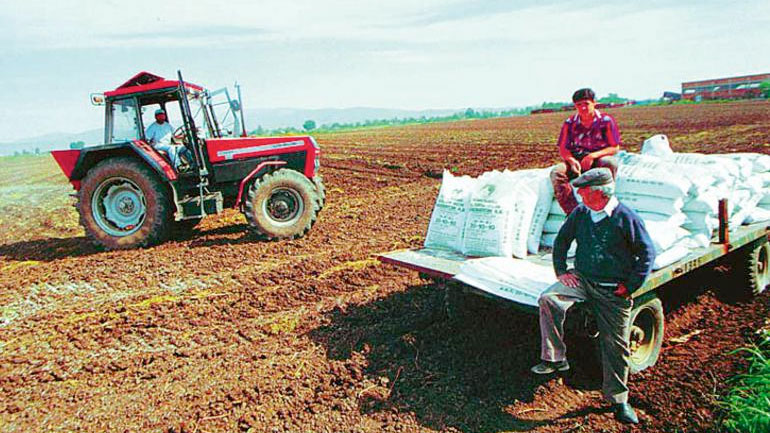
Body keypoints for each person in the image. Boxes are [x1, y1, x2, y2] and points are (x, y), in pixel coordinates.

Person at [531, 168, 656, 425]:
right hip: (584, 280)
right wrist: (562, 271)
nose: (579, 195)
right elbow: (562, 240)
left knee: (615, 345)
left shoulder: (626, 218)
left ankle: (619, 400)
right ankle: (556, 359)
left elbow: (647, 255)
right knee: (549, 299)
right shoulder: (581, 213)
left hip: (612, 290)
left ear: (599, 193)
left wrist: (630, 286)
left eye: (584, 191)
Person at [551, 88, 621, 214]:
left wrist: (592, 156)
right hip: (576, 161)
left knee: (610, 163)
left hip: (597, 159)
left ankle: (604, 204)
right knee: (557, 172)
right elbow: (563, 148)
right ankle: (573, 212)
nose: (583, 108)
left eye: (586, 104)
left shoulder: (606, 121)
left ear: (594, 103)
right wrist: (571, 161)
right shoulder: (570, 123)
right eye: (579, 105)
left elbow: (614, 147)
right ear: (575, 106)